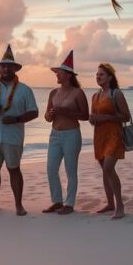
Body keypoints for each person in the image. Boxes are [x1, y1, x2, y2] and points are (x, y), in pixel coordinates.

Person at [0, 45, 38, 216]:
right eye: (3, 66)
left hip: (13, 136)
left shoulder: (25, 89)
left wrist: (17, 119)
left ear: (14, 68)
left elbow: (34, 112)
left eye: (9, 66)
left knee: (14, 169)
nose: (5, 68)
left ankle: (19, 205)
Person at [43, 51, 89, 215]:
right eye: (56, 72)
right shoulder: (53, 93)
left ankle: (69, 203)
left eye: (59, 72)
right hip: (55, 134)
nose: (56, 74)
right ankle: (57, 201)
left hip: (71, 134)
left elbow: (85, 116)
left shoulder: (78, 93)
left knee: (71, 170)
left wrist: (65, 111)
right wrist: (50, 115)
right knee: (51, 169)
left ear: (68, 75)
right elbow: (47, 116)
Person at [89, 62, 131, 219]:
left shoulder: (116, 94)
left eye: (101, 74)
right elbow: (93, 118)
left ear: (110, 77)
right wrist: (92, 119)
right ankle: (110, 203)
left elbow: (126, 116)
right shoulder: (95, 96)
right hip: (99, 136)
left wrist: (106, 117)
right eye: (97, 74)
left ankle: (120, 205)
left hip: (114, 135)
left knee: (108, 168)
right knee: (104, 171)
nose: (98, 77)